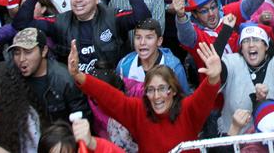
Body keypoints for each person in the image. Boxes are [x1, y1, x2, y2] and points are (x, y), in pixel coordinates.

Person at [69, 40, 223, 153]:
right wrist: (78, 75)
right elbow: (109, 95)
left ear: (174, 90)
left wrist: (214, 77)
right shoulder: (138, 111)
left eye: (162, 88)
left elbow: (205, 96)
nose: (156, 96)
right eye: (150, 90)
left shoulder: (188, 109)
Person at [13, 0, 151, 71]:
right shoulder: (59, 22)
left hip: (112, 84)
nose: (78, 0)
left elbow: (143, 16)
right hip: (77, 89)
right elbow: (21, 24)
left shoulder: (112, 17)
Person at [215, 21, 274, 135]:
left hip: (273, 141)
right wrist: (226, 30)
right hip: (234, 139)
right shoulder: (233, 62)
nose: (251, 45)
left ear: (266, 46)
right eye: (246, 41)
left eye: (257, 40)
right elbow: (213, 64)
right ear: (241, 48)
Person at [116, 18, 191, 97]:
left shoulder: (173, 67)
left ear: (159, 41)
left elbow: (184, 98)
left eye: (149, 37)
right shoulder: (123, 65)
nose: (142, 42)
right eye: (138, 37)